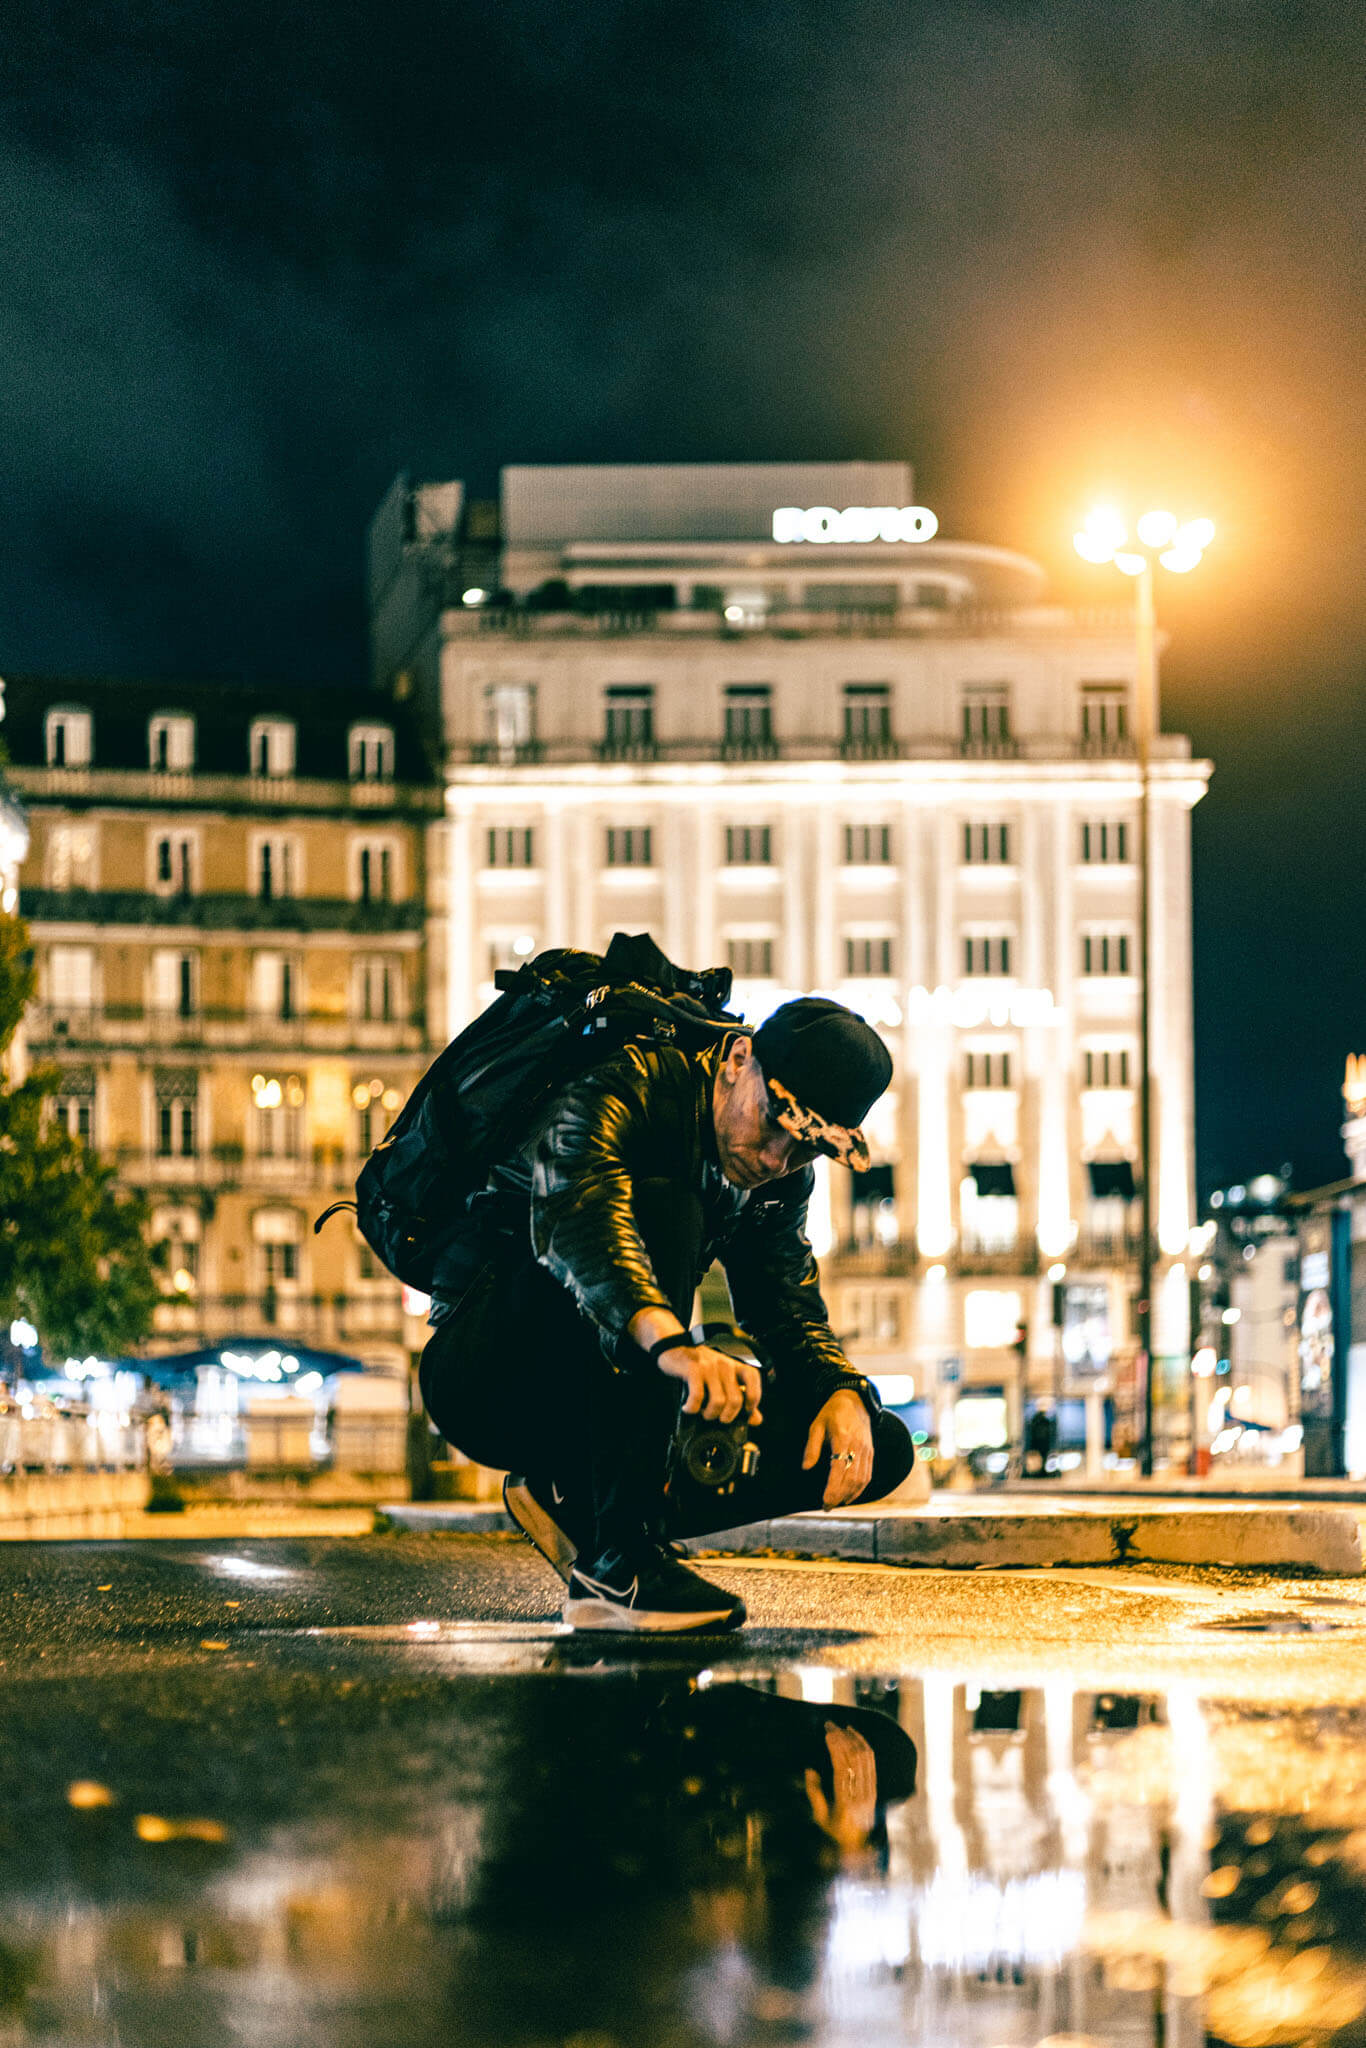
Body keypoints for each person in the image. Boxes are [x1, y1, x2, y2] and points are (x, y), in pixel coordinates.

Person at [420, 995, 915, 1634]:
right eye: (774, 1122)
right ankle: (622, 1557)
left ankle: (580, 1508)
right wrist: (672, 1344)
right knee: (667, 1207)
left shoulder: (777, 1176)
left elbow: (785, 1301)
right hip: (490, 1371)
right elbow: (580, 1214)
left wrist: (840, 1389)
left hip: (613, 1393)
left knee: (878, 1445)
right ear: (740, 1059)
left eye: (804, 1149)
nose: (774, 1160)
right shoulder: (633, 1080)